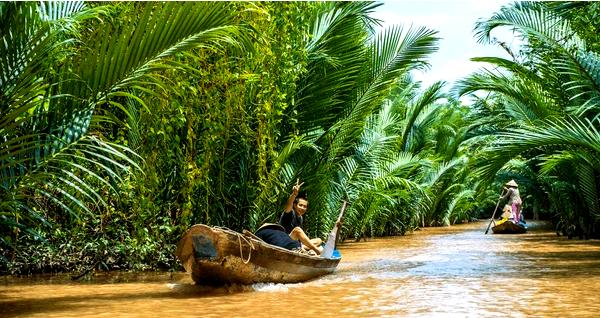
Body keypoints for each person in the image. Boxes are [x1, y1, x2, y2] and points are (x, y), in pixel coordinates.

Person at [278, 179, 323, 255]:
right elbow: (289, 204)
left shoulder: (300, 218)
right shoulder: (290, 213)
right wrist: (294, 194)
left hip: (294, 242)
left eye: (304, 206)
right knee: (297, 230)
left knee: (319, 240)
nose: (302, 208)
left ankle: (303, 248)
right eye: (300, 205)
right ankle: (316, 250)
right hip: (283, 242)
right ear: (295, 206)